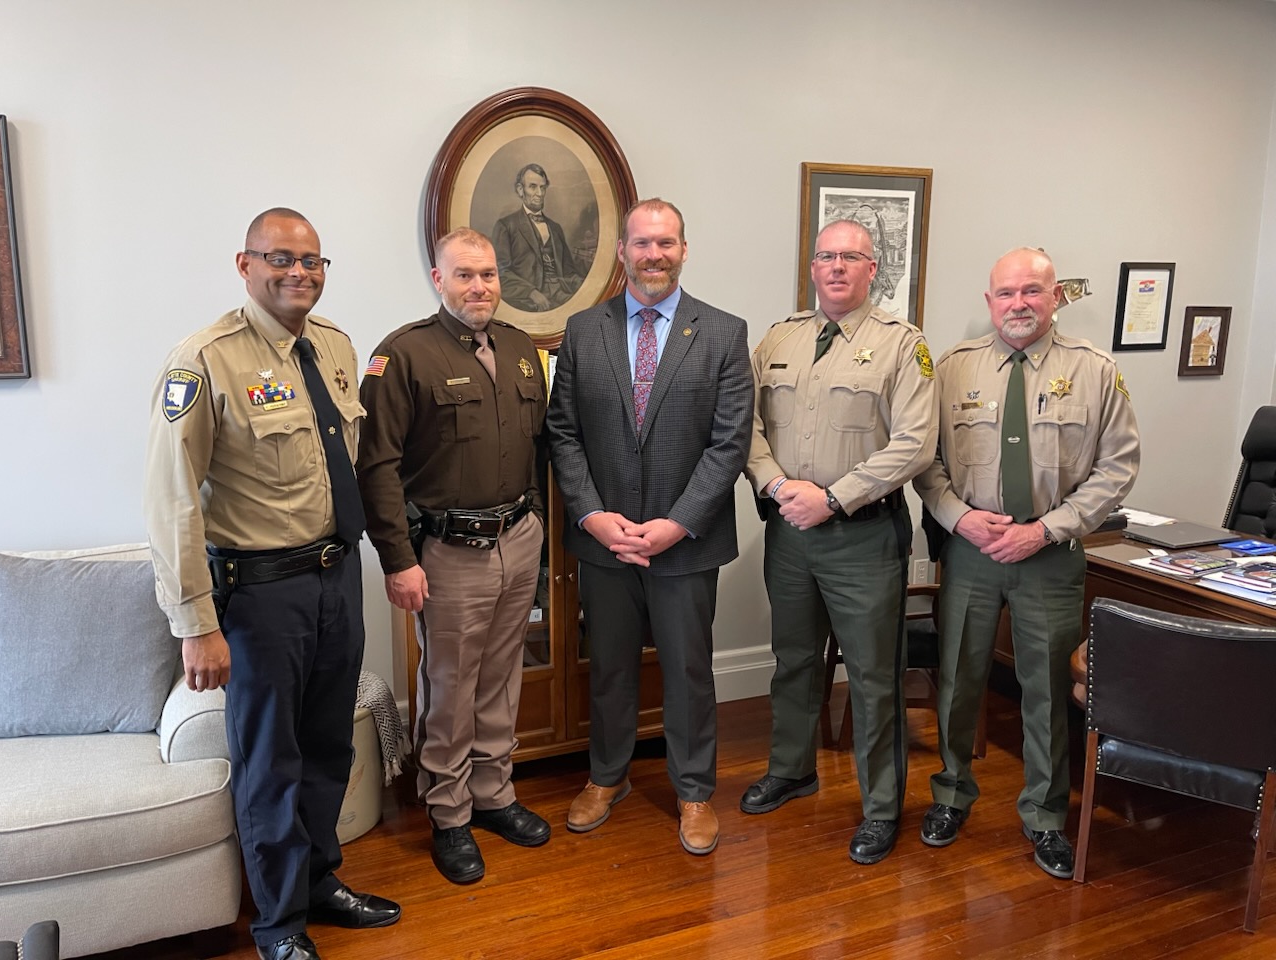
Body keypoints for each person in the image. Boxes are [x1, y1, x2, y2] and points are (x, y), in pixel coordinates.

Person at [144, 208, 399, 960]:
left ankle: (320, 882)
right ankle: (280, 925)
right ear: (245, 265)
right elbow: (172, 499)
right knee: (271, 760)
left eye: (312, 261)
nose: (299, 273)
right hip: (261, 595)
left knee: (328, 745)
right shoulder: (205, 360)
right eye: (281, 259)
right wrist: (195, 622)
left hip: (337, 577)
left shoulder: (335, 346)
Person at [913, 247, 1140, 879]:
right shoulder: (952, 368)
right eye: (1007, 293)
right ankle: (951, 794)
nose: (1019, 304)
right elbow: (925, 461)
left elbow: (1117, 468)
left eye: (1032, 292)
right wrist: (959, 517)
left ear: (1054, 297)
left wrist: (1046, 530)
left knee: (1045, 690)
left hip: (1050, 556)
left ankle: (1044, 816)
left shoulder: (1094, 371)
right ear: (990, 302)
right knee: (960, 680)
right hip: (971, 550)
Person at [545, 198, 752, 856]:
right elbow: (563, 433)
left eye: (666, 243)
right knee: (608, 668)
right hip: (605, 543)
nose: (653, 254)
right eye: (641, 243)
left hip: (686, 545)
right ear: (622, 252)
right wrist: (592, 516)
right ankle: (607, 777)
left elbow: (729, 444)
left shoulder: (723, 332)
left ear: (684, 249)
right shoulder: (584, 330)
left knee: (688, 672)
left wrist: (677, 524)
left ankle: (694, 791)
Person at [356, 227, 551, 885]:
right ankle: (449, 812)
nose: (479, 287)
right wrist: (397, 558)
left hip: (517, 539)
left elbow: (537, 449)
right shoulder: (403, 355)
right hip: (448, 551)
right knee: (449, 686)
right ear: (438, 279)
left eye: (488, 274)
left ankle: (494, 794)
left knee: (502, 677)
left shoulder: (522, 350)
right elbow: (376, 466)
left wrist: (537, 524)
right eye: (464, 274)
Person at [743, 219, 938, 865]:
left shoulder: (902, 345)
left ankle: (881, 807)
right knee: (794, 661)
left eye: (850, 257)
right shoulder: (780, 338)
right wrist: (777, 486)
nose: (835, 267)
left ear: (871, 268)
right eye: (826, 256)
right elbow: (745, 426)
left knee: (874, 677)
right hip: (790, 533)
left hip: (863, 536)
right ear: (813, 266)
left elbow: (916, 444)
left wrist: (831, 497)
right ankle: (791, 769)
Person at [491, 163, 585, 312]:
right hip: (528, 300)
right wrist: (531, 292)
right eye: (533, 187)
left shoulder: (555, 228)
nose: (539, 193)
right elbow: (500, 272)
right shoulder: (506, 226)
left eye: (543, 187)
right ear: (520, 190)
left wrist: (586, 287)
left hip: (561, 293)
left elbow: (569, 271)